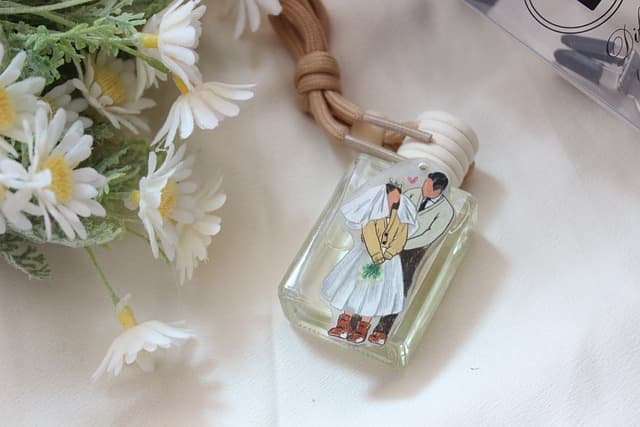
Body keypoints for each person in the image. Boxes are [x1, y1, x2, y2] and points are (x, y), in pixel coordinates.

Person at [321, 181, 418, 344]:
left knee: (376, 293)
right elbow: (369, 233)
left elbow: (401, 238)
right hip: (367, 254)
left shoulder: (401, 216)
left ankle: (363, 328)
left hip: (388, 260)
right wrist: (376, 254)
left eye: (397, 197)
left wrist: (389, 253)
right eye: (392, 196)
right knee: (354, 286)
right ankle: (343, 324)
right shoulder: (374, 213)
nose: (395, 200)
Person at [367, 172, 454, 345]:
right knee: (372, 280)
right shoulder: (412, 193)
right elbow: (393, 214)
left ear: (438, 191)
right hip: (389, 242)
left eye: (427, 186)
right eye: (424, 183)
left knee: (399, 288)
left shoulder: (446, 210)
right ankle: (358, 320)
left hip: (413, 251)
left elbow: (430, 235)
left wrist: (402, 242)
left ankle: (383, 329)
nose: (423, 187)